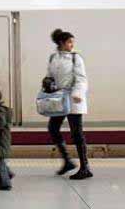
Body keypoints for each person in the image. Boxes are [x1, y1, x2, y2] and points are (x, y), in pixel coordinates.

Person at [46, 28, 93, 180]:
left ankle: (85, 167)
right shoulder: (53, 57)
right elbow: (50, 75)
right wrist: (48, 84)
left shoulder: (75, 58)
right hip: (59, 99)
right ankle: (67, 161)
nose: (72, 45)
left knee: (76, 133)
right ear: (61, 43)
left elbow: (81, 78)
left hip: (74, 100)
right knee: (53, 128)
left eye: (72, 42)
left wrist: (78, 93)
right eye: (69, 42)